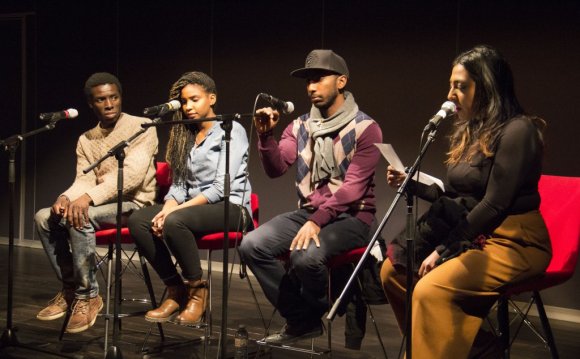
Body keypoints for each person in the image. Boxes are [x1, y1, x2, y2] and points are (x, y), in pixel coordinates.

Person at [381, 45, 552, 358]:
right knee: (393, 273)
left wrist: (444, 248)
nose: (450, 94)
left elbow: (495, 204)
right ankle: (472, 349)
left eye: (460, 86)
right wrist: (414, 185)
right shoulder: (472, 131)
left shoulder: (519, 130)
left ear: (486, 88)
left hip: (514, 241)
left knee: (431, 289)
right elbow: (460, 196)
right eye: (451, 85)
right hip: (475, 231)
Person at [239, 49, 383, 345]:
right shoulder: (300, 126)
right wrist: (266, 137)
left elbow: (352, 188)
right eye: (308, 81)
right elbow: (277, 168)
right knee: (251, 244)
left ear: (341, 81)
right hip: (309, 213)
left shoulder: (367, 129)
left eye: (318, 79)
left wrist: (317, 221)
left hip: (353, 217)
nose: (311, 87)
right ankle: (303, 318)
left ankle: (318, 309)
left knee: (304, 258)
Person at [34, 72, 159, 333]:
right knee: (44, 217)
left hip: (134, 204)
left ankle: (88, 295)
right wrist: (66, 197)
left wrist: (87, 199)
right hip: (101, 204)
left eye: (114, 97)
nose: (110, 103)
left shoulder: (143, 127)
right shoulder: (86, 139)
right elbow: (84, 179)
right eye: (102, 99)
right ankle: (71, 289)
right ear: (92, 104)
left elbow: (133, 176)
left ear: (120, 98)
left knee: (81, 215)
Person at [128, 71, 252, 325]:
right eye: (184, 102)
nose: (188, 107)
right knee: (139, 220)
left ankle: (198, 292)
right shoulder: (185, 134)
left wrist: (174, 212)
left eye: (194, 99)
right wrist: (169, 207)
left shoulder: (231, 130)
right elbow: (179, 185)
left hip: (231, 207)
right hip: (191, 209)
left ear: (212, 98)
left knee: (175, 221)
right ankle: (175, 290)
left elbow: (220, 187)